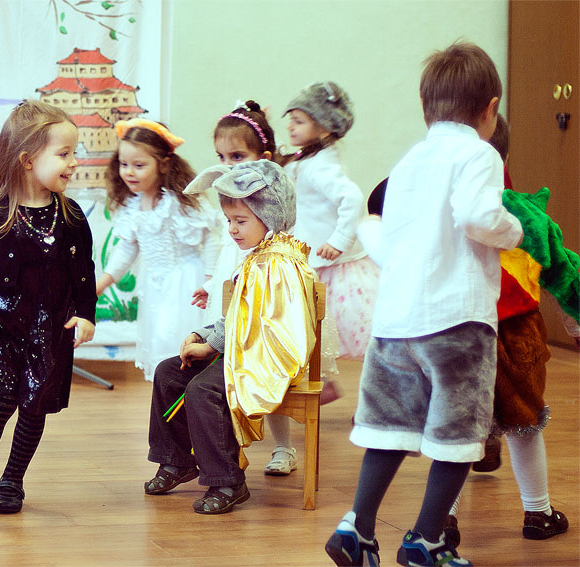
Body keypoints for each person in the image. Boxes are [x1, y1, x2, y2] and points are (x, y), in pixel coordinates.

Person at [325, 42, 523, 567]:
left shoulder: (410, 161)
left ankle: (357, 527)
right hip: (457, 321)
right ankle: (426, 541)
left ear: (426, 107)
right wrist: (515, 230)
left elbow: (383, 235)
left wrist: (371, 233)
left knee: (389, 428)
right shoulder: (480, 154)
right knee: (460, 434)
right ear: (491, 108)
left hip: (395, 323)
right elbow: (479, 216)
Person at [0, 100, 97, 518]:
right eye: (64, 154)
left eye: (74, 152)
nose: (74, 162)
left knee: (34, 405)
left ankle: (12, 480)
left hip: (52, 333)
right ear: (28, 161)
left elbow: (85, 271)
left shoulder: (70, 216)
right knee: (0, 401)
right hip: (7, 331)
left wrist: (86, 314)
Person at [143, 160, 317, 514]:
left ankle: (228, 481)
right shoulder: (258, 258)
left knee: (203, 389)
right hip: (241, 352)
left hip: (266, 360)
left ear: (270, 216)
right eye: (229, 221)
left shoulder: (278, 263)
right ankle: (177, 461)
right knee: (168, 373)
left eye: (241, 221)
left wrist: (211, 347)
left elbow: (266, 328)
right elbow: (237, 317)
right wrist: (204, 334)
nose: (233, 230)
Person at [443, 114, 576, 545]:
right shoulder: (526, 213)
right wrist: (575, 324)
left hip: (461, 328)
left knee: (456, 432)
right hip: (518, 332)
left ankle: (442, 521)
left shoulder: (443, 209)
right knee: (525, 425)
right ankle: (539, 513)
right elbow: (564, 274)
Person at [193, 100, 340, 478]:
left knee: (263, 366)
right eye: (222, 158)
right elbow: (227, 261)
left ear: (265, 159)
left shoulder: (271, 229)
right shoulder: (238, 222)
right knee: (220, 373)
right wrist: (211, 286)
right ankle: (220, 450)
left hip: (267, 312)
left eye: (238, 157)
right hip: (237, 293)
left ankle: (283, 446)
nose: (229, 166)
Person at [96, 119, 220, 381]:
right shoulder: (133, 206)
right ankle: (168, 393)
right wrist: (103, 282)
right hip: (155, 287)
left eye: (139, 165)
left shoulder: (178, 201)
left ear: (163, 165)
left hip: (186, 283)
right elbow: (126, 249)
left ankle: (189, 392)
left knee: (176, 338)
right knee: (159, 340)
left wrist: (210, 280)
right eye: (124, 164)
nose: (129, 172)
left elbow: (209, 235)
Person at [281, 81, 379, 361]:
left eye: (299, 121)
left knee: (326, 323)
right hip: (315, 255)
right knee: (313, 326)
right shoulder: (310, 158)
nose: (290, 126)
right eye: (291, 120)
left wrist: (339, 240)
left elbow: (353, 198)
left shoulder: (321, 166)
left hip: (330, 263)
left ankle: (325, 375)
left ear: (324, 129)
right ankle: (319, 374)